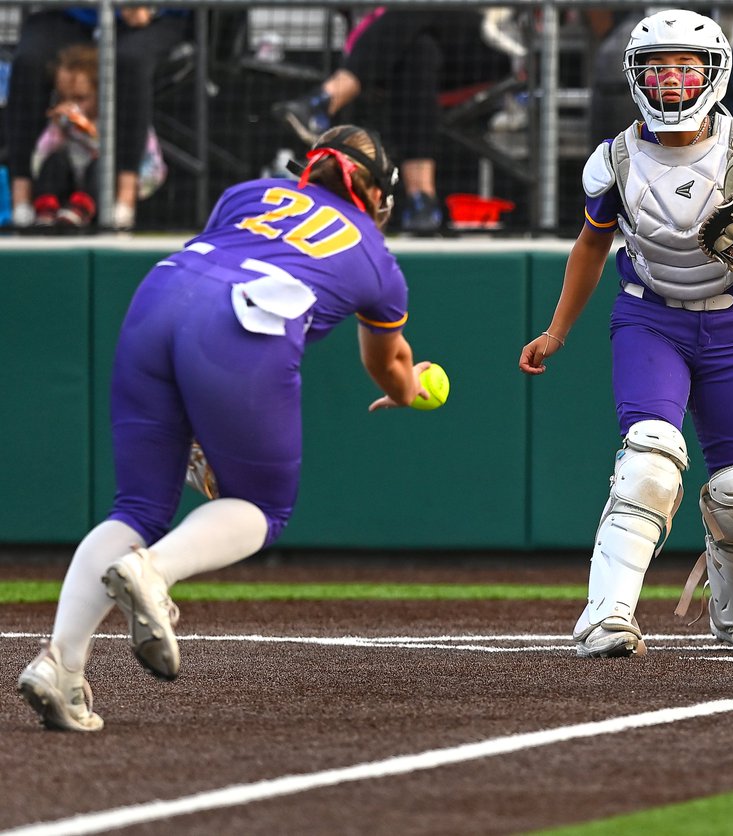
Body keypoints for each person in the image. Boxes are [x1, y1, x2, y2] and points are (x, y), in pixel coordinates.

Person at [18, 124, 436, 732]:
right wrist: (408, 388)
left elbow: (227, 264)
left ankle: (61, 665)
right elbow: (388, 361)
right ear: (374, 192)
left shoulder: (250, 191)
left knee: (135, 506)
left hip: (158, 298)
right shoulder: (376, 254)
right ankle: (153, 573)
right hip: (243, 325)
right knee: (263, 506)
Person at [518, 10, 733, 659]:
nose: (672, 77)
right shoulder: (613, 158)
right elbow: (590, 248)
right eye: (658, 65)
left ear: (712, 72)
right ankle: (606, 614)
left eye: (685, 64)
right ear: (637, 75)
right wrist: (558, 331)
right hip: (651, 317)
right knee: (649, 457)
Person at [271, 8, 513, 233]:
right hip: (401, 46)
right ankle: (422, 201)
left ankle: (324, 100)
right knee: (420, 51)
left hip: (486, 46)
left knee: (419, 8)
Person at [4, 6, 190, 231]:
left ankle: (124, 200)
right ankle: (23, 201)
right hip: (75, 12)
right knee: (28, 62)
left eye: (80, 98)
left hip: (152, 18)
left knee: (129, 61)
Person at [28, 44, 167, 231]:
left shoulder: (123, 120)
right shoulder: (62, 123)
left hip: (110, 189)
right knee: (55, 161)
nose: (71, 105)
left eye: (80, 98)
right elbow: (39, 160)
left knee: (101, 166)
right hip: (71, 185)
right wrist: (57, 131)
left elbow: (150, 170)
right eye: (63, 98)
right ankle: (46, 213)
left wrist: (93, 134)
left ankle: (79, 212)